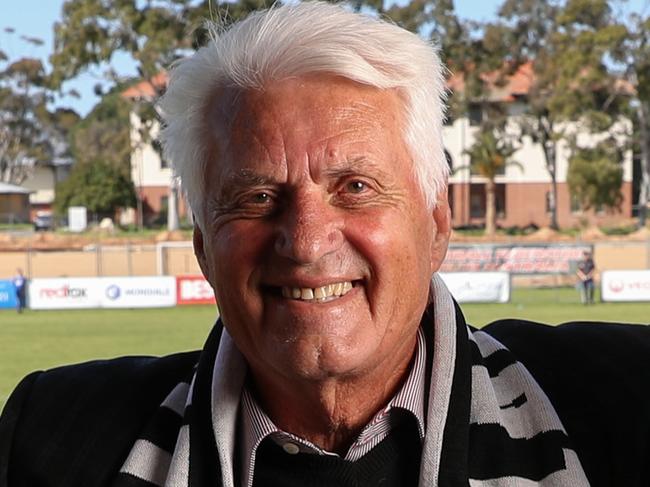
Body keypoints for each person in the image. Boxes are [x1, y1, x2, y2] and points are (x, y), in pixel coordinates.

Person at [1, 3, 648, 486]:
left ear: (437, 225)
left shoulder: (622, 402)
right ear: (203, 248)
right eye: (256, 198)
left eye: (357, 186)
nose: (307, 242)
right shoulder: (51, 443)